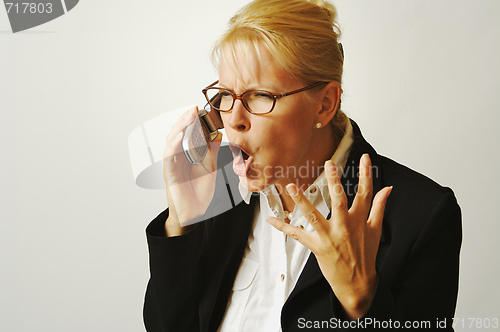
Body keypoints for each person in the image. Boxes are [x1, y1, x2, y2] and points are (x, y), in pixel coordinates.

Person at [143, 0, 462, 331]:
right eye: (225, 94)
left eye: (259, 96)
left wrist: (361, 301)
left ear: (324, 105)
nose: (233, 120)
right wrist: (180, 224)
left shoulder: (423, 215)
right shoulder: (216, 190)